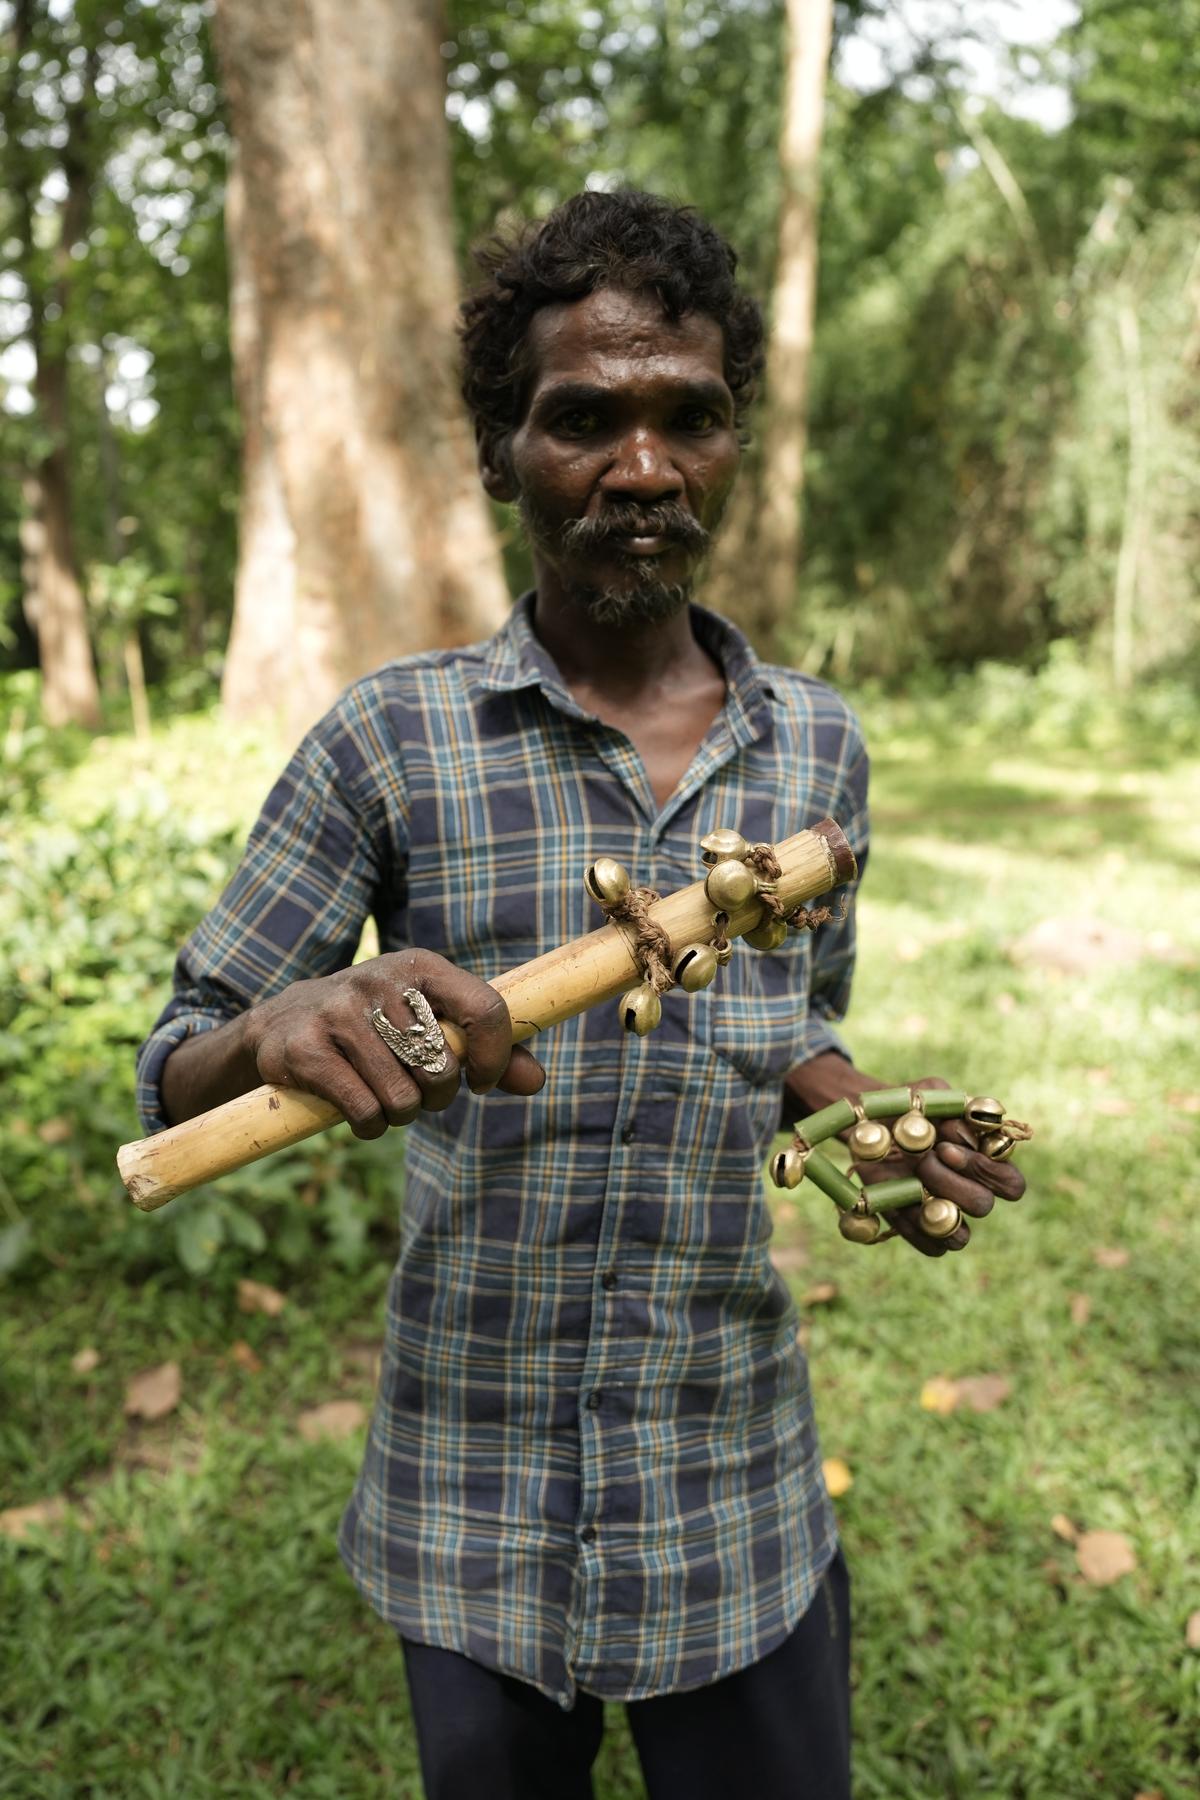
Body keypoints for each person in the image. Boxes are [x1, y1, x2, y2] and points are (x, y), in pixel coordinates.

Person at [137, 190, 1025, 1799]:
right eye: (585, 421)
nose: (642, 469)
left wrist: (853, 1120)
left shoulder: (816, 751)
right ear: (501, 449)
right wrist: (280, 1025)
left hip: (733, 1481)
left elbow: (795, 1023)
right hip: (472, 1498)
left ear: (732, 439)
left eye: (689, 417)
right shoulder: (389, 740)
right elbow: (178, 1064)